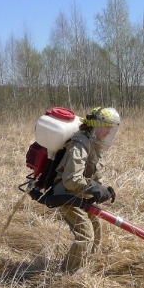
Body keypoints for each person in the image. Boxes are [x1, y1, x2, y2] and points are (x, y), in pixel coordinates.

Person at [47, 106, 122, 273]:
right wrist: (93, 187)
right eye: (106, 126)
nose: (109, 132)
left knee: (96, 226)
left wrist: (103, 188)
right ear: (95, 125)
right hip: (66, 194)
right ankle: (67, 273)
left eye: (112, 128)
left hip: (80, 193)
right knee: (85, 236)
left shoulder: (94, 144)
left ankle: (87, 264)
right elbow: (71, 180)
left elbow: (94, 172)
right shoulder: (80, 143)